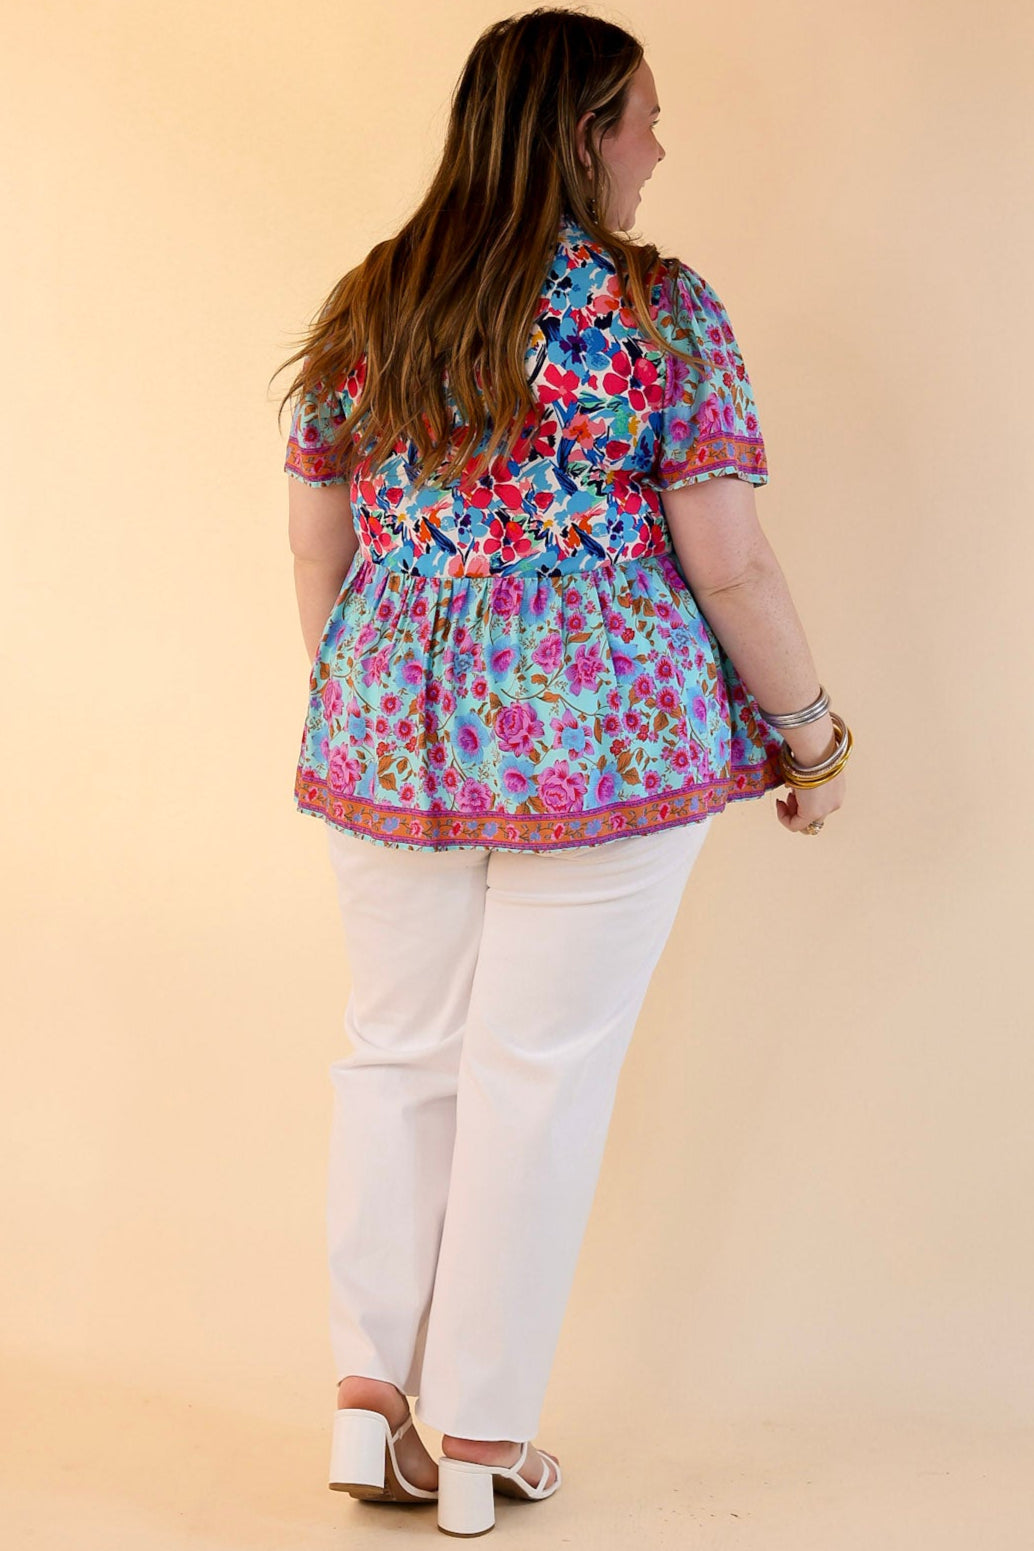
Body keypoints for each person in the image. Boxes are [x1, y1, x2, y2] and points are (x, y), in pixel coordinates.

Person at [275, 7, 850, 1535]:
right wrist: (809, 731)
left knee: (394, 1051)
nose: (659, 144)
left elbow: (317, 538)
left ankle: (364, 1403)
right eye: (642, 115)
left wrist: (362, 695)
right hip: (605, 729)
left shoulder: (372, 297)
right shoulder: (655, 310)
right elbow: (726, 559)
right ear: (583, 131)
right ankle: (478, 1439)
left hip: (388, 714)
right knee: (536, 1074)